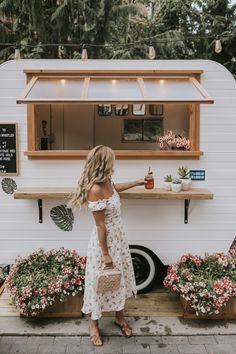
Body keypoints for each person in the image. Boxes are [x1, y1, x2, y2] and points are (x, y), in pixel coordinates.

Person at [68, 145, 146, 346]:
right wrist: (105, 254)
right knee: (99, 282)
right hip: (105, 242)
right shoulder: (94, 189)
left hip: (118, 239)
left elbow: (115, 189)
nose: (114, 163)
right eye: (112, 160)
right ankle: (93, 324)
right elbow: (101, 225)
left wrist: (138, 181)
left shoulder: (108, 181)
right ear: (104, 163)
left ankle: (120, 317)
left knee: (119, 279)